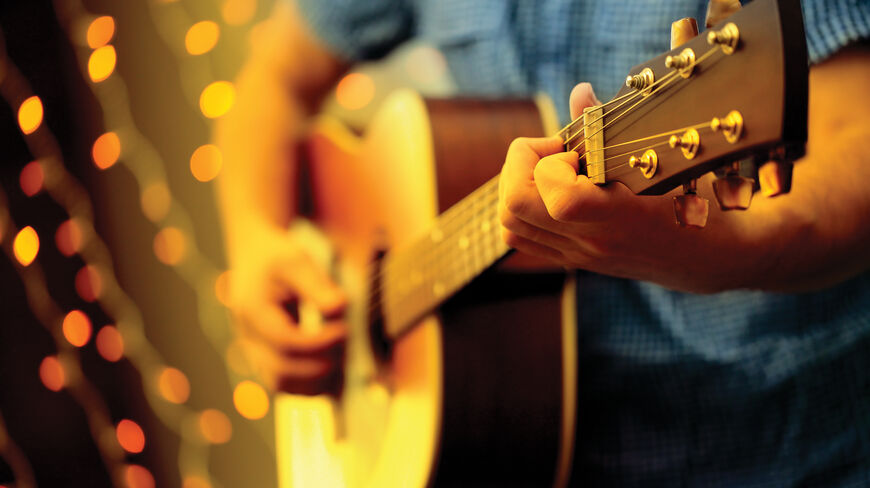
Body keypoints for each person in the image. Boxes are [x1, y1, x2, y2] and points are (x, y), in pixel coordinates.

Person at [216, 0, 870, 484]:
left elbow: (858, 141)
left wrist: (725, 252)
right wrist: (254, 244)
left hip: (788, 449)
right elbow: (275, 76)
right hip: (505, 442)